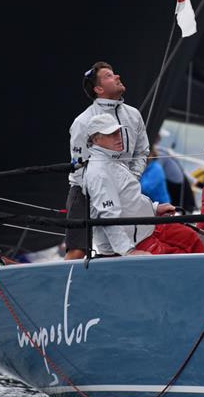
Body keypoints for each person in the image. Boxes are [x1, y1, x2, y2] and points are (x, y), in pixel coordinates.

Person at [83, 114, 204, 256]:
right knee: (182, 260)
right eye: (111, 134)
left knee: (192, 239)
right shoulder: (99, 172)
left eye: (118, 132)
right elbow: (107, 216)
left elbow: (129, 198)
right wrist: (129, 251)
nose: (119, 137)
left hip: (147, 227)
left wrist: (154, 208)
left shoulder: (113, 161)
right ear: (96, 139)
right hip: (134, 241)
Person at [64, 61, 150, 260]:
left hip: (123, 185)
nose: (117, 76)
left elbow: (142, 151)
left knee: (116, 249)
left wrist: (131, 178)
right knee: (77, 251)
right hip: (84, 189)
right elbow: (79, 164)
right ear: (98, 89)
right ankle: (59, 289)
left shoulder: (134, 114)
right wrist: (101, 191)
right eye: (109, 76)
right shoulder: (83, 121)